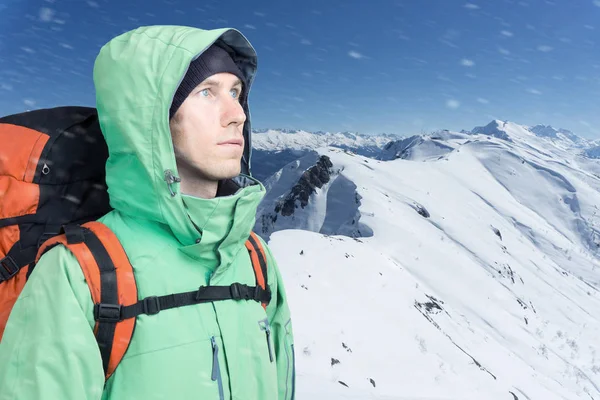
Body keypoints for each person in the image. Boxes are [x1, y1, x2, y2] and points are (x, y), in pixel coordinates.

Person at [0, 25, 295, 400]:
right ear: (152, 120)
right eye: (207, 92)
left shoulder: (255, 258)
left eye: (236, 92)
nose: (237, 114)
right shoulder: (79, 273)